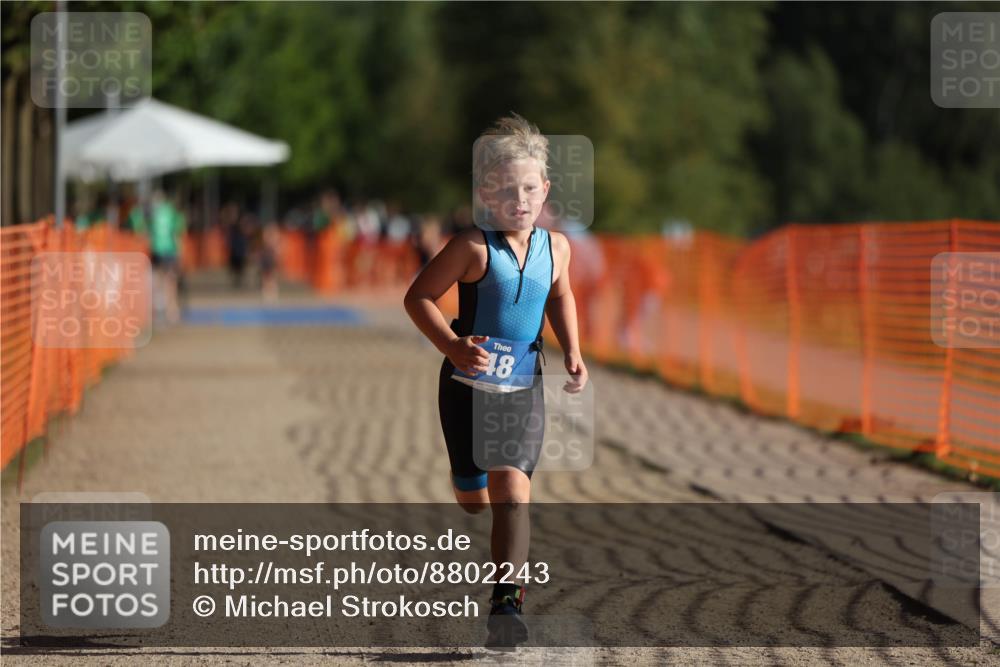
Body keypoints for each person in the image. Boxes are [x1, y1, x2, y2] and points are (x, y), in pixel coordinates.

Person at [404, 114, 588, 648]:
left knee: (513, 489)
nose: (520, 198)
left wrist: (572, 349)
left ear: (545, 190)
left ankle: (506, 602)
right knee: (473, 499)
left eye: (530, 187)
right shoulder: (472, 248)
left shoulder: (558, 249)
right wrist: (452, 345)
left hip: (524, 383)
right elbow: (417, 297)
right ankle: (467, 478)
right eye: (507, 189)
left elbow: (559, 295)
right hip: (466, 386)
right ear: (487, 193)